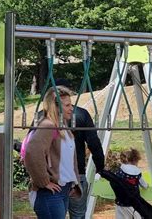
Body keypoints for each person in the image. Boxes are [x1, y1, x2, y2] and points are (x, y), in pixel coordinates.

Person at [24, 86, 81, 219]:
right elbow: (32, 152)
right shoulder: (48, 126)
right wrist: (44, 181)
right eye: (67, 105)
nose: (71, 108)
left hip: (62, 190)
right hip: (49, 193)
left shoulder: (62, 127)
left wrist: (72, 182)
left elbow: (66, 160)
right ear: (55, 107)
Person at [54, 79, 105, 219]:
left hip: (53, 175)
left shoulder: (41, 116)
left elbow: (28, 146)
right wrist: (100, 166)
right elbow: (94, 143)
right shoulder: (81, 114)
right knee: (78, 215)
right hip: (76, 173)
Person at [113, 148, 149, 219]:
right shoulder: (137, 173)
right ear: (135, 160)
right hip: (133, 204)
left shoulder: (119, 171)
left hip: (120, 203)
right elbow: (144, 186)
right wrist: (147, 185)